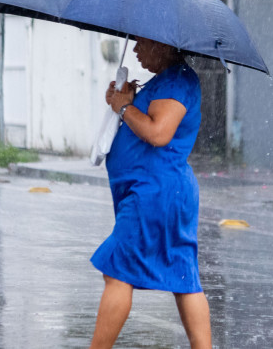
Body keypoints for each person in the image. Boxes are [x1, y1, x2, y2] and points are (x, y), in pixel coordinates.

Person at [89, 37, 212, 349]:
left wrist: (126, 106)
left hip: (156, 194)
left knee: (118, 272)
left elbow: (158, 132)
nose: (136, 51)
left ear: (165, 45)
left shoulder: (177, 82)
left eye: (143, 44)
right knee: (183, 277)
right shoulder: (165, 81)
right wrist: (125, 99)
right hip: (160, 194)